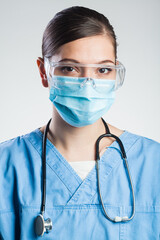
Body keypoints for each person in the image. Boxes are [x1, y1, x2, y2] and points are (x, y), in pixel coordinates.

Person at [0, 6, 160, 240]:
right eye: (69, 68)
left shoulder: (153, 165)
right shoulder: (7, 167)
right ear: (44, 72)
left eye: (103, 69)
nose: (88, 84)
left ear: (115, 72)